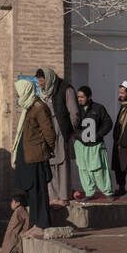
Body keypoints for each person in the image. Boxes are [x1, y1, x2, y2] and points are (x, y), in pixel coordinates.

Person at [12, 78, 56, 237]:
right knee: (31, 191)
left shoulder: (39, 107)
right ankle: (34, 223)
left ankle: (42, 224)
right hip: (27, 156)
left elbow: (49, 133)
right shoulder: (28, 107)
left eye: (19, 92)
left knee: (39, 191)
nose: (17, 95)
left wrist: (47, 151)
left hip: (36, 156)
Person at [36, 67, 79, 206]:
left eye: (42, 82)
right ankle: (54, 196)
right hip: (48, 130)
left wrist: (68, 131)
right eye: (40, 82)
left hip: (61, 129)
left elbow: (74, 113)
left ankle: (64, 196)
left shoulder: (66, 89)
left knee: (63, 163)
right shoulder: (46, 92)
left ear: (48, 79)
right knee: (52, 163)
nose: (41, 85)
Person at [72, 85, 115, 200]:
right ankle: (89, 192)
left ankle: (108, 192)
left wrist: (98, 135)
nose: (79, 99)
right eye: (78, 97)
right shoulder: (75, 109)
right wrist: (78, 135)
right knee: (83, 169)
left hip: (95, 145)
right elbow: (70, 125)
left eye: (82, 97)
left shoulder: (98, 108)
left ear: (89, 97)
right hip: (81, 145)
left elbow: (108, 123)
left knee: (99, 169)